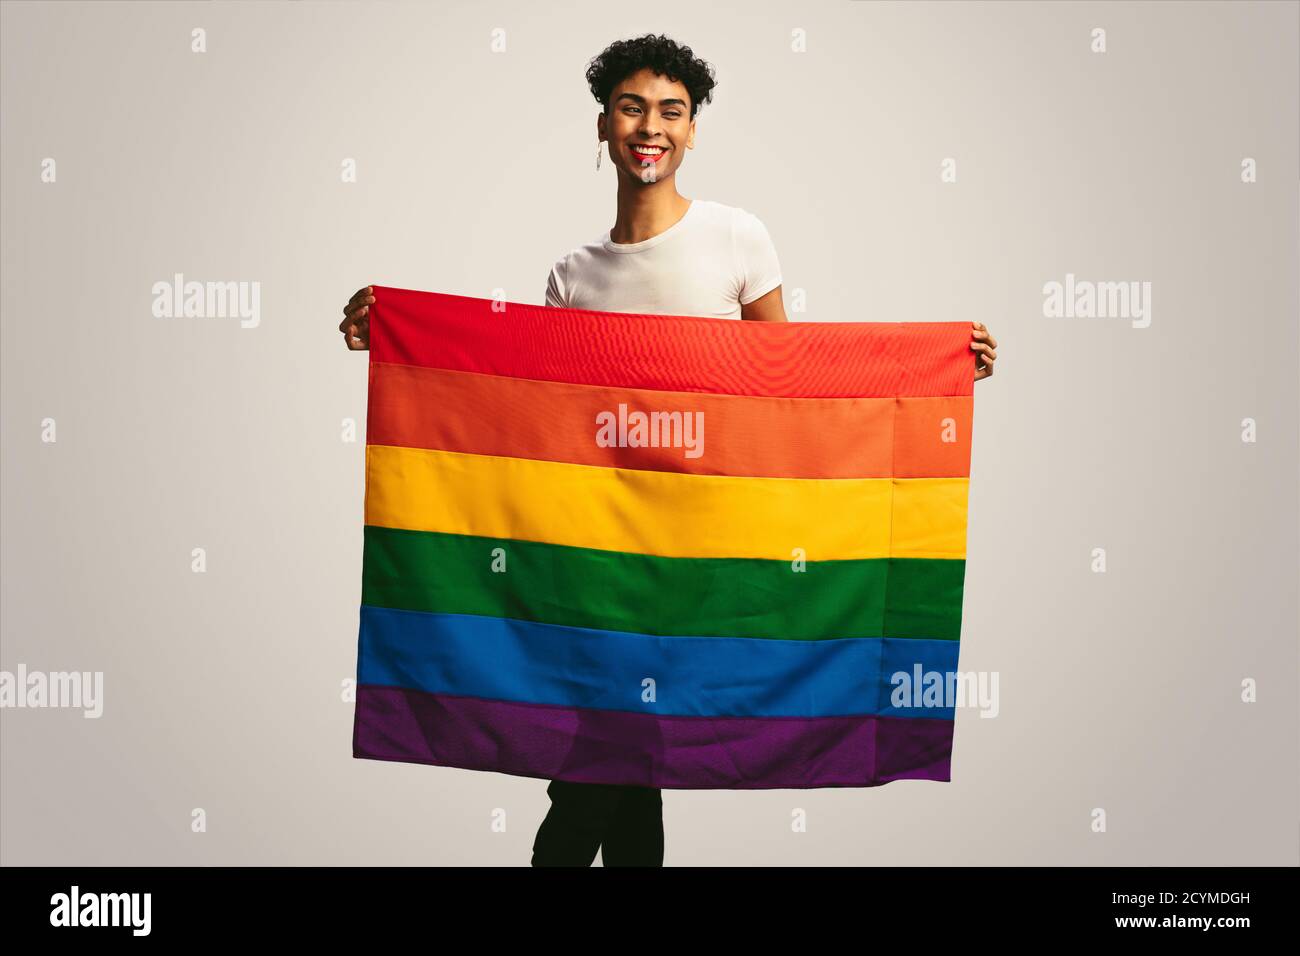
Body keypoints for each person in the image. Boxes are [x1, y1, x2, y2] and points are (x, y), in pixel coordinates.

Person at [338, 33, 998, 868]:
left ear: (693, 132)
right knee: (620, 759)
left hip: (700, 556)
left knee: (604, 766)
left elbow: (787, 388)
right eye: (632, 106)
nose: (651, 126)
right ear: (603, 125)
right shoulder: (572, 276)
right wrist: (397, 338)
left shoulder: (735, 238)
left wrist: (939, 363)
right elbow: (534, 416)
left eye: (672, 111)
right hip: (600, 562)